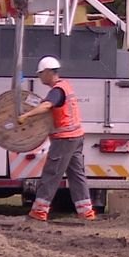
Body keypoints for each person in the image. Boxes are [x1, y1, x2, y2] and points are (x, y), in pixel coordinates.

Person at [18, 56, 96, 221]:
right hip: (76, 137)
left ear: (47, 72)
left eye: (40, 74)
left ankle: (39, 212)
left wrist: (26, 116)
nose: (39, 77)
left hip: (64, 139)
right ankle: (86, 212)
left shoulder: (57, 91)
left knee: (51, 173)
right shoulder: (65, 86)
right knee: (77, 175)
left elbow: (46, 106)